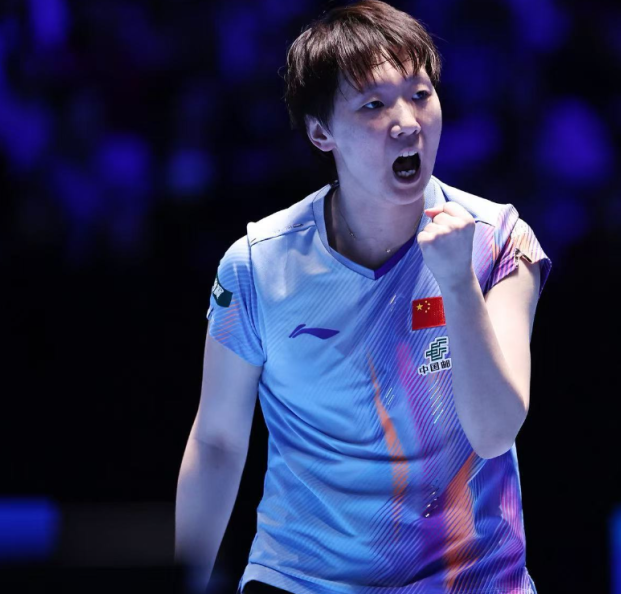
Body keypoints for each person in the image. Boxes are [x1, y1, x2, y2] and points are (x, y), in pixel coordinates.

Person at [175, 1, 552, 593]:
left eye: (420, 95)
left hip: (467, 580)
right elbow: (218, 441)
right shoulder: (257, 266)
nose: (407, 122)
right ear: (321, 132)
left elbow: (495, 431)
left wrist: (457, 283)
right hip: (301, 579)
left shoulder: (498, 241)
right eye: (373, 105)